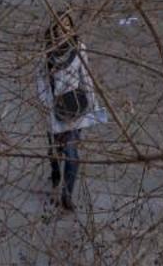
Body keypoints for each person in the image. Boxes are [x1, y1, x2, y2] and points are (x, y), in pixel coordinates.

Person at [36, 12, 102, 213]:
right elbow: (41, 82)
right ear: (53, 30)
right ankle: (55, 172)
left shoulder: (79, 49)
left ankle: (67, 195)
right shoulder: (47, 53)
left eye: (67, 27)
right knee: (55, 150)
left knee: (72, 155)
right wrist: (49, 105)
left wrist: (93, 106)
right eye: (59, 27)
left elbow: (86, 77)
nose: (63, 31)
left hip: (76, 107)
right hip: (56, 110)